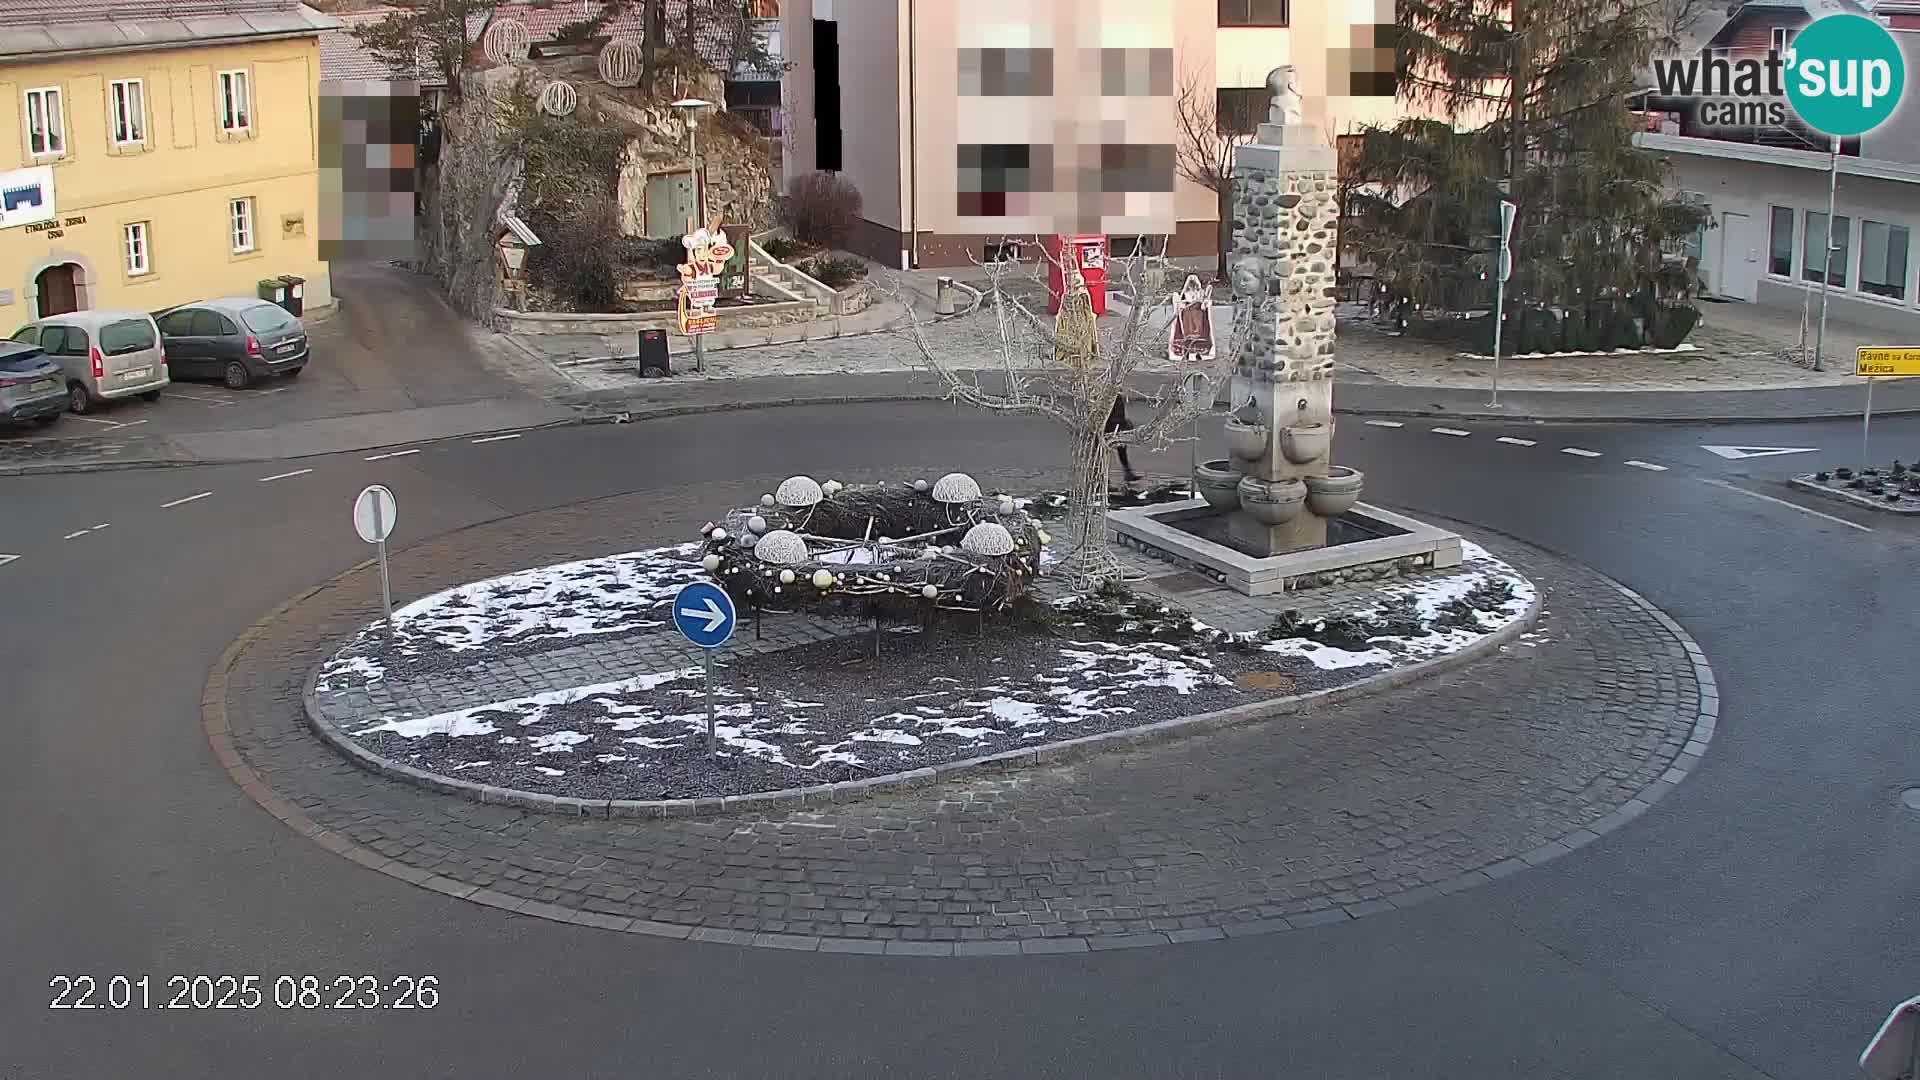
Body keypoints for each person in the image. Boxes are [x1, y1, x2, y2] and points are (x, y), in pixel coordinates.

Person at [1107, 394, 1141, 485]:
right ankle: (1104, 477)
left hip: (1117, 425)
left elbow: (1120, 413)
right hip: (1111, 425)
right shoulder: (1111, 395)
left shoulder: (1117, 396)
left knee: (1121, 449)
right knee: (1107, 452)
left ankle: (1127, 472)